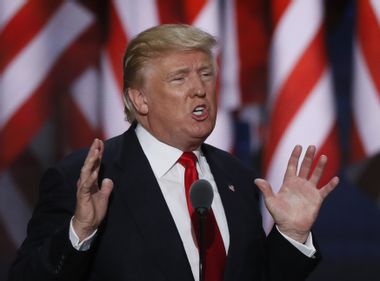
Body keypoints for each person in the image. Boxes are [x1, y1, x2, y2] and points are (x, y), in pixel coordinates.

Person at [9, 24, 339, 281]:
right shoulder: (88, 178)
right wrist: (79, 232)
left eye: (206, 74)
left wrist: (292, 235)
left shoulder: (235, 177)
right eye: (180, 78)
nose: (200, 89)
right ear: (140, 100)